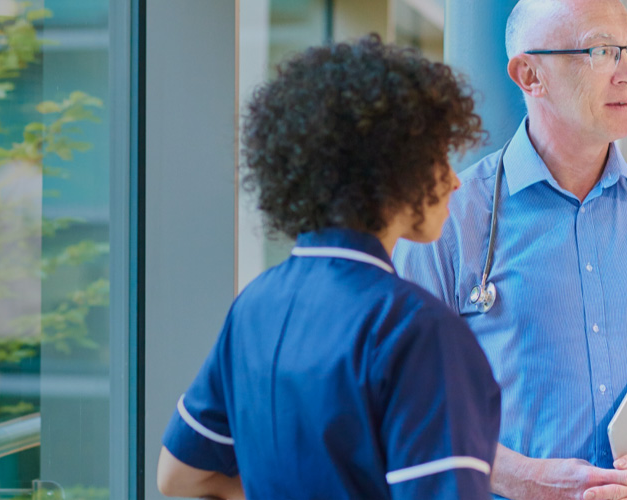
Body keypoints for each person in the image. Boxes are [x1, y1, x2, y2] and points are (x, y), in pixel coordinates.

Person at [394, 1, 627, 498]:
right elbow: (411, 403)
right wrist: (522, 479)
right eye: (601, 51)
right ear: (530, 74)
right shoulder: (449, 222)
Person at [156, 36, 499, 499]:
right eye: (439, 158)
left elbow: (180, 477)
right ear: (394, 168)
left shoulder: (253, 308)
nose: (455, 179)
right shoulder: (417, 331)